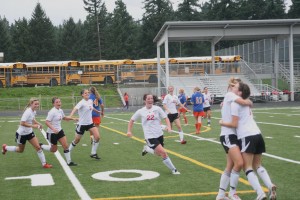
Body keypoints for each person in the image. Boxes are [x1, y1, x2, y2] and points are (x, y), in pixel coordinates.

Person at [219, 82, 276, 200]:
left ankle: (256, 193)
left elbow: (234, 122)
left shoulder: (235, 101)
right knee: (249, 164)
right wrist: (249, 102)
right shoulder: (233, 97)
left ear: (239, 92)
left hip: (245, 135)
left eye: (235, 86)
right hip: (251, 134)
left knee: (244, 166)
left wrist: (221, 122)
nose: (232, 87)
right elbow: (245, 102)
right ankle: (269, 186)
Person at [216, 78, 253, 200]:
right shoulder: (230, 94)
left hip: (233, 135)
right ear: (234, 87)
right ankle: (232, 193)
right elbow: (244, 102)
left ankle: (221, 195)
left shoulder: (231, 97)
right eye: (238, 85)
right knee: (240, 163)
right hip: (228, 134)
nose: (239, 87)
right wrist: (249, 102)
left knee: (230, 165)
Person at [127, 94, 180, 175]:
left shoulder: (157, 109)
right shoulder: (140, 111)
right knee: (163, 153)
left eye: (151, 98)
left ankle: (147, 149)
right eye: (148, 98)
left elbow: (166, 118)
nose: (150, 100)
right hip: (150, 136)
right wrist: (129, 131)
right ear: (145, 100)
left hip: (159, 134)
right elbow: (131, 120)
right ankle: (174, 170)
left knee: (158, 154)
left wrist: (169, 127)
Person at [2, 98, 52, 168]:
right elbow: (22, 123)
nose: (37, 105)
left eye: (38, 104)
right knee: (20, 150)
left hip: (29, 133)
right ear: (31, 104)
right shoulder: (28, 112)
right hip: (21, 134)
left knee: (38, 147)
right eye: (35, 104)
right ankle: (5, 147)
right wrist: (33, 126)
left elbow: (32, 119)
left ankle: (44, 164)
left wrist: (38, 123)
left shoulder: (33, 111)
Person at [39, 97, 77, 166]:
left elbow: (64, 118)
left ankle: (69, 162)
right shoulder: (52, 112)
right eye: (57, 102)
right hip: (52, 133)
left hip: (59, 131)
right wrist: (53, 129)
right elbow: (47, 122)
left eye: (59, 102)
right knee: (54, 150)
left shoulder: (60, 110)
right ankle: (41, 146)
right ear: (53, 104)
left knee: (65, 146)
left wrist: (73, 118)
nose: (59, 103)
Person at [68, 89, 102, 160]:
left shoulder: (90, 101)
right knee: (77, 140)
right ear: (82, 95)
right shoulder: (81, 102)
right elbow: (75, 108)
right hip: (82, 124)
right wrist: (70, 116)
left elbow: (91, 108)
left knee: (97, 137)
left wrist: (98, 111)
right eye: (85, 93)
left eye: (88, 93)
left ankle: (93, 153)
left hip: (90, 123)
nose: (87, 94)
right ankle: (67, 151)